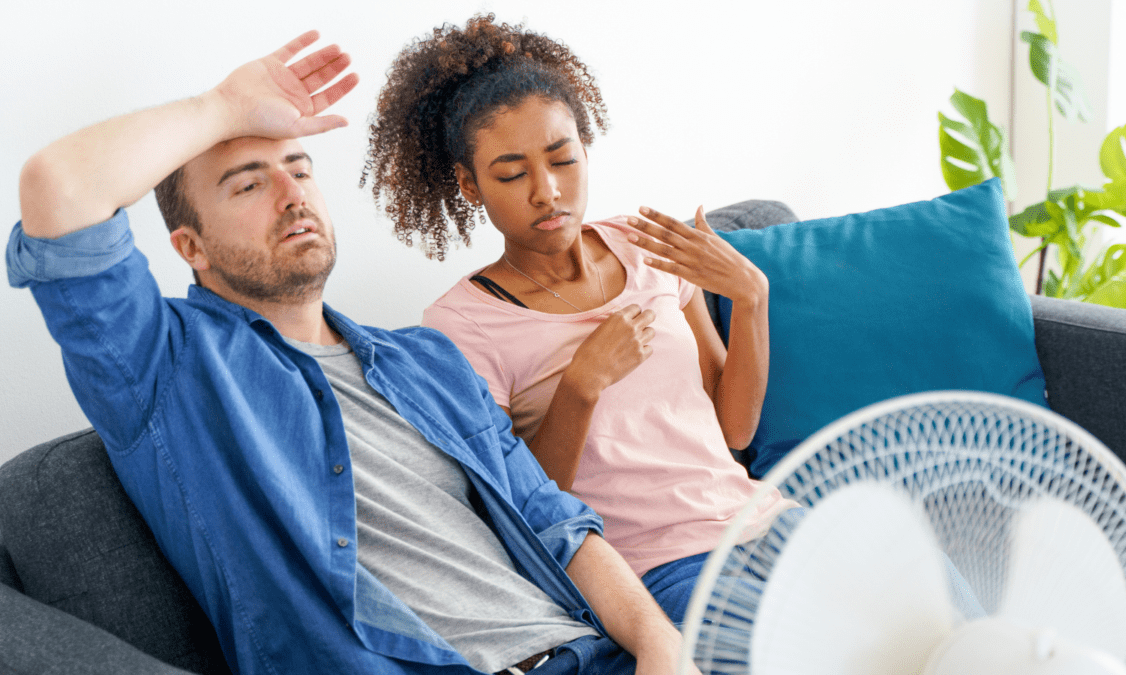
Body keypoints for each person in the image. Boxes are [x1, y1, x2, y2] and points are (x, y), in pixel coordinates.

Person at [8, 30, 697, 675]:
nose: (291, 196)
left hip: (587, 653)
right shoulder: (166, 370)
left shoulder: (428, 361)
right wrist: (220, 109)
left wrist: (663, 645)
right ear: (191, 247)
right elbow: (58, 188)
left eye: (300, 170)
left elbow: (557, 525)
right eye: (248, 183)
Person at [362, 15, 797, 624]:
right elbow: (520, 512)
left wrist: (751, 301)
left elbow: (735, 432)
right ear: (470, 185)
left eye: (562, 160)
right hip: (657, 569)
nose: (546, 191)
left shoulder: (650, 247)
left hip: (766, 519)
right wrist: (580, 385)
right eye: (512, 174)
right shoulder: (461, 325)